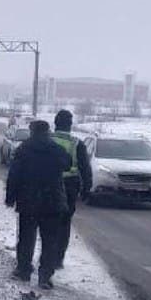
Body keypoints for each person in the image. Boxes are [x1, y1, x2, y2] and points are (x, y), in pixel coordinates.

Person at [4, 119, 71, 288]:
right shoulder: (56, 149)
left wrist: (10, 197)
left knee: (26, 238)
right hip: (52, 201)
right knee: (50, 240)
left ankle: (24, 270)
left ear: (32, 131)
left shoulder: (24, 149)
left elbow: (14, 174)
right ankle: (45, 277)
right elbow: (68, 164)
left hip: (28, 200)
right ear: (48, 132)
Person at [49, 109, 93, 270]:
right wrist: (86, 189)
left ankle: (46, 256)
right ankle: (58, 258)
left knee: (47, 221)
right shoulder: (77, 144)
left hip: (47, 185)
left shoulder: (47, 139)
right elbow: (85, 169)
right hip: (69, 187)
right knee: (64, 224)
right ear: (70, 125)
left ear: (55, 123)